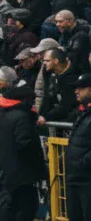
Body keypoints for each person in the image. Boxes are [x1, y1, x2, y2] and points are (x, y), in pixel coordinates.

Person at [0, 74, 46, 221]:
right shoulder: (22, 116)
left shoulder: (3, 113)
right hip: (23, 173)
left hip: (8, 170)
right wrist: (39, 166)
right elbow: (25, 144)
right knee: (26, 207)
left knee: (12, 206)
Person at [67, 74, 91, 221]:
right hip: (74, 178)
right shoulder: (82, 112)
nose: (76, 91)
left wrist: (82, 163)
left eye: (81, 88)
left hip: (86, 179)